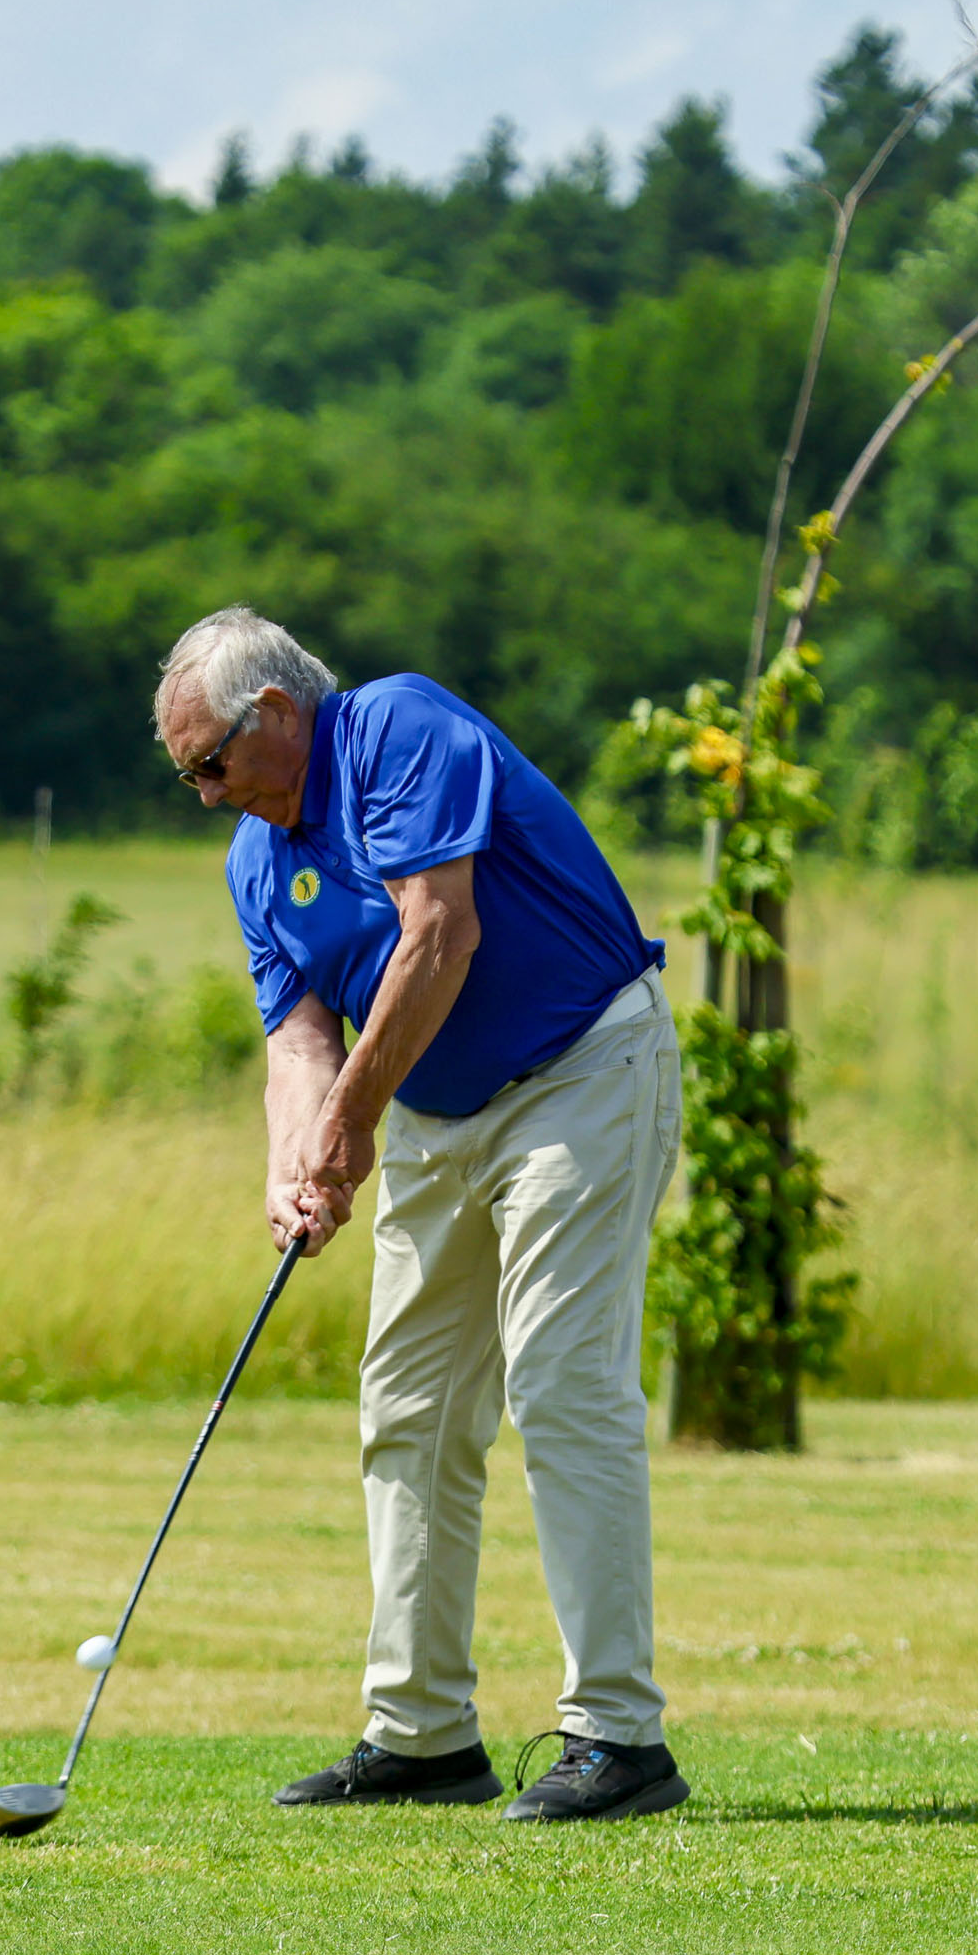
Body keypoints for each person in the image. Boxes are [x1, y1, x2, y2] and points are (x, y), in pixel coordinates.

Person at [151, 605, 688, 1825]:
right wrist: (298, 1162)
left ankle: (618, 1734)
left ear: (276, 714)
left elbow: (440, 931)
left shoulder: (397, 726)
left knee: (561, 1384)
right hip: (437, 1111)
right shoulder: (254, 858)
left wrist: (349, 1123)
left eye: (211, 764)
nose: (205, 794)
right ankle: (423, 1732)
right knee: (408, 1406)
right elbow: (298, 1037)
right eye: (190, 774)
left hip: (580, 1071)